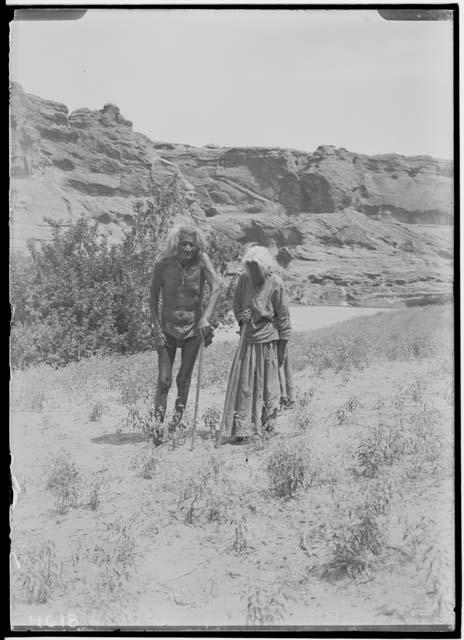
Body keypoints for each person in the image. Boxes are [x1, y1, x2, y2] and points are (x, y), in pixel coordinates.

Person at [149, 224, 220, 443]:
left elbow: (216, 286)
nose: (187, 248)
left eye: (192, 244)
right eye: (183, 244)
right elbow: (152, 299)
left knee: (183, 379)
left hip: (192, 329)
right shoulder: (163, 265)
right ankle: (157, 427)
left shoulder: (202, 262)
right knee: (164, 380)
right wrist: (156, 328)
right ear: (175, 244)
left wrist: (206, 317)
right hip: (167, 329)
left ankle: (175, 425)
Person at [227, 245, 291, 442]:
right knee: (245, 385)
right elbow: (236, 304)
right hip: (248, 339)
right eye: (250, 268)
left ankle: (267, 426)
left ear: (265, 267)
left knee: (268, 386)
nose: (253, 272)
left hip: (269, 340)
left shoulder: (276, 283)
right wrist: (241, 316)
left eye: (256, 269)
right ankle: (242, 429)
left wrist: (283, 347)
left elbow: (283, 317)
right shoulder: (243, 280)